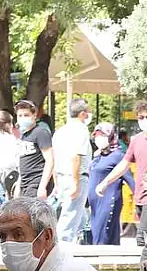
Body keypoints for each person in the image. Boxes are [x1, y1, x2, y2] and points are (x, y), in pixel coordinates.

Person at [95, 101, 147, 247]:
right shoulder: (137, 140)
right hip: (139, 196)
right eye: (141, 117)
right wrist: (105, 182)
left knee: (142, 237)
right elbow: (124, 164)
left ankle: (144, 268)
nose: (145, 121)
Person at [52, 98, 94, 243]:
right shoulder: (81, 130)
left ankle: (80, 240)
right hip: (76, 176)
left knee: (78, 215)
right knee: (70, 215)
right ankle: (62, 245)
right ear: (82, 114)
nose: (90, 115)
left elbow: (54, 159)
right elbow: (76, 157)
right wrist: (76, 183)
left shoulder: (60, 131)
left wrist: (56, 182)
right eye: (88, 112)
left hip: (62, 176)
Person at [87, 123, 133, 246]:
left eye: (102, 135)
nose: (98, 138)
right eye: (96, 136)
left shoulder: (118, 156)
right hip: (95, 205)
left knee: (102, 238)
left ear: (110, 136)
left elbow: (130, 180)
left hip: (108, 201)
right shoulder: (97, 156)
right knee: (99, 236)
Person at [14, 100, 54, 200]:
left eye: (26, 115)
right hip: (25, 183)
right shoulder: (24, 135)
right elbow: (23, 163)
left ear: (34, 115)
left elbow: (50, 160)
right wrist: (19, 185)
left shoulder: (41, 132)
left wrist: (42, 186)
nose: (23, 118)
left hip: (36, 182)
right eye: (20, 115)